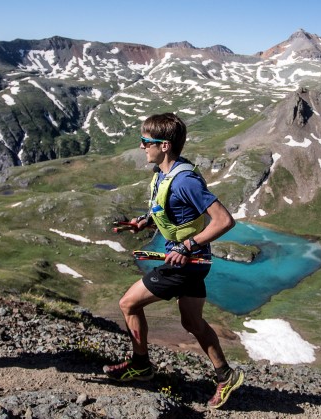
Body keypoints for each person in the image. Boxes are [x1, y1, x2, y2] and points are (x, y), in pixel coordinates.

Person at [103, 112, 244, 409]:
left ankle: (140, 364)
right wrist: (144, 222)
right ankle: (225, 375)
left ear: (164, 145)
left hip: (186, 262)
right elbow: (174, 214)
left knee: (128, 303)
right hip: (195, 262)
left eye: (146, 141)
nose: (142, 146)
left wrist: (187, 245)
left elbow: (224, 221)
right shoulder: (165, 175)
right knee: (192, 321)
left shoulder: (185, 181)